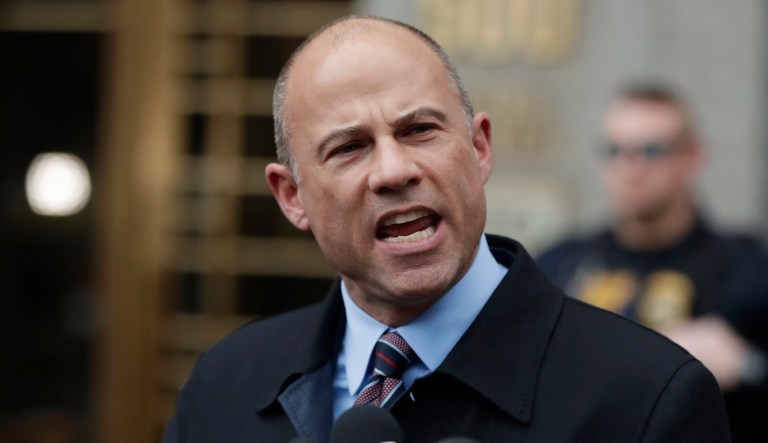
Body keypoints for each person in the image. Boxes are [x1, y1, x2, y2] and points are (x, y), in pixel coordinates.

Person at [163, 17, 730, 443]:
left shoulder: (647, 397)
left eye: (419, 130)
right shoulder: (224, 386)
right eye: (350, 147)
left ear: (479, 149)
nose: (394, 171)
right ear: (292, 197)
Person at [538, 84, 768, 441]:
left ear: (692, 156)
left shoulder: (747, 268)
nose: (630, 168)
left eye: (652, 150)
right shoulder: (560, 265)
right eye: (614, 151)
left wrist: (747, 365)